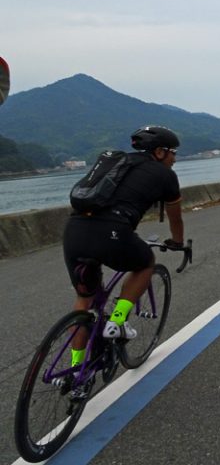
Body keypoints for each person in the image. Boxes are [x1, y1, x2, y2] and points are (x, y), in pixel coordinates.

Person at [63, 126, 185, 364]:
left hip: (75, 229)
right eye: (173, 152)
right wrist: (178, 242)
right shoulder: (166, 175)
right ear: (159, 152)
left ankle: (76, 368)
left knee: (84, 301)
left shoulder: (118, 164)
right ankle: (117, 322)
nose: (175, 158)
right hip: (111, 231)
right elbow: (176, 217)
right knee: (145, 263)